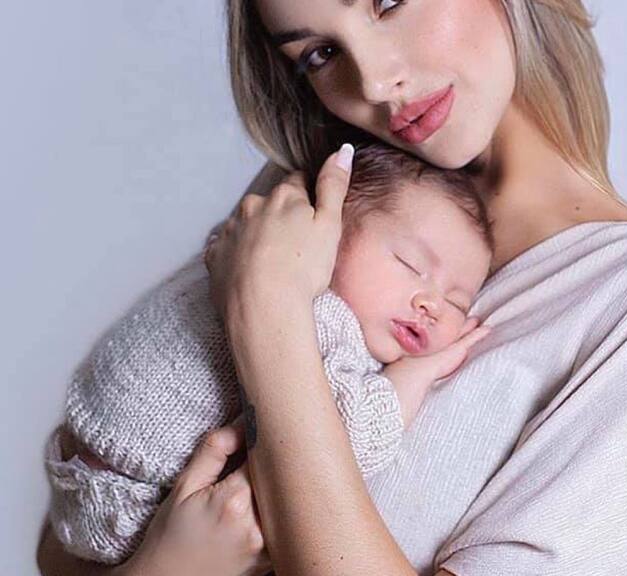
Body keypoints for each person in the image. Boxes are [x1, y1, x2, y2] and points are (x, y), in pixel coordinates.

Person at [38, 0, 627, 575]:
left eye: (388, 1)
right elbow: (70, 534)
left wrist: (270, 323)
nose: (373, 82)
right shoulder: (340, 190)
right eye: (319, 54)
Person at [43, 142, 493, 565]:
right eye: (411, 265)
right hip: (130, 509)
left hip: (85, 479)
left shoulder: (248, 249)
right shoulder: (321, 312)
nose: (431, 304)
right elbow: (335, 451)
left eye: (457, 302)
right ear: (329, 231)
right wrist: (415, 375)